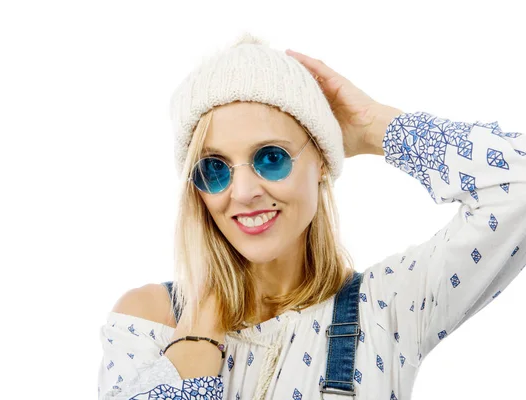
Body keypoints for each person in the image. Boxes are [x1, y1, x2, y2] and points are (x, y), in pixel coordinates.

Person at [97, 33, 526, 400]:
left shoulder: (388, 307)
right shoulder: (150, 321)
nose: (243, 193)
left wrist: (375, 126)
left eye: (271, 158)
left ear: (320, 161)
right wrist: (199, 333)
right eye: (215, 168)